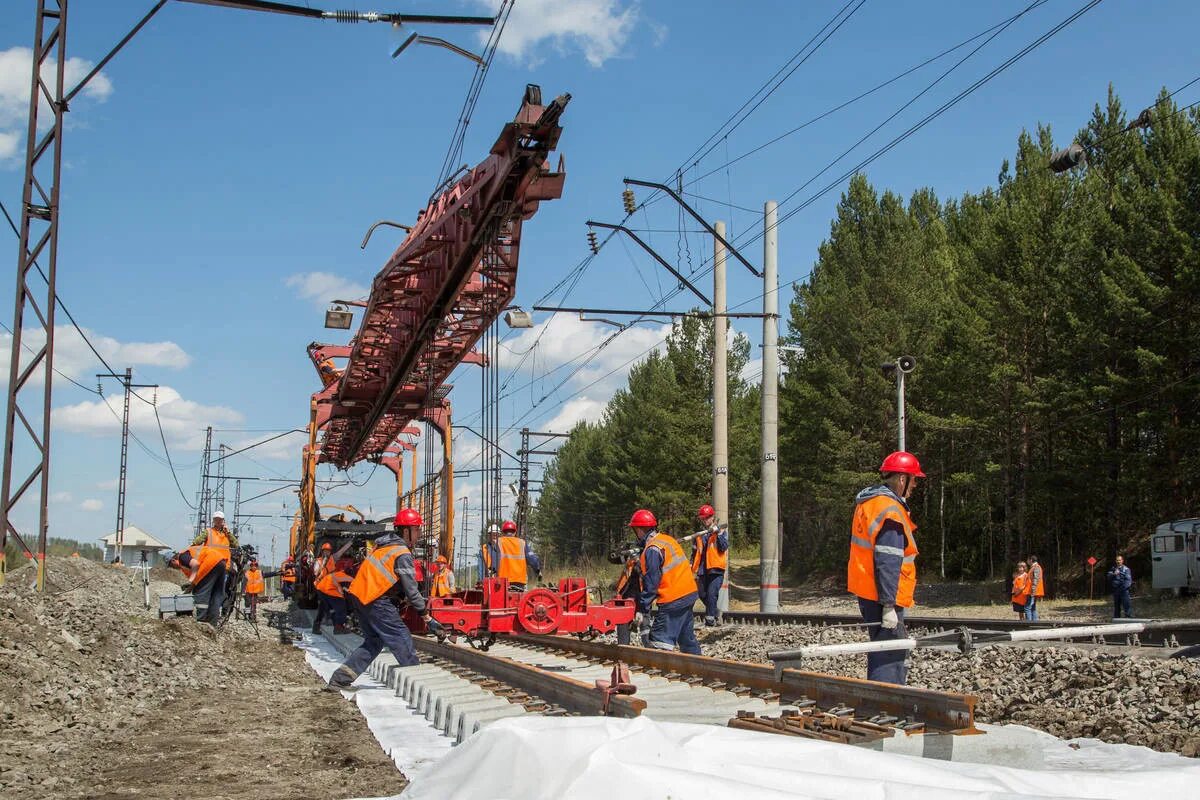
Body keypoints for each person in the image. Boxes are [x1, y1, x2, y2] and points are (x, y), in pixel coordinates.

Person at [325, 508, 443, 692]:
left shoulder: (384, 546)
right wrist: (427, 618)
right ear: (406, 531)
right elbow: (412, 592)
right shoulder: (401, 552)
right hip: (376, 600)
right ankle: (418, 685)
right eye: (417, 529)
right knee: (401, 637)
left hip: (360, 597)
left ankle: (340, 679)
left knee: (374, 641)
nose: (419, 533)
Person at [847, 450, 923, 686]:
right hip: (883, 596)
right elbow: (888, 559)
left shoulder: (869, 503)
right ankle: (886, 706)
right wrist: (889, 605)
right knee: (890, 653)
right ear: (902, 479)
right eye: (914, 480)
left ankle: (882, 702)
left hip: (869, 591)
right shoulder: (890, 510)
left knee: (882, 649)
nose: (914, 486)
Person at [630, 508, 701, 655]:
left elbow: (651, 583)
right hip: (688, 593)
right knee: (686, 639)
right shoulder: (667, 540)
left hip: (673, 598)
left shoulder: (652, 549)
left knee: (659, 641)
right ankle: (700, 668)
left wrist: (642, 608)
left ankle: (659, 671)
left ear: (640, 530)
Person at [690, 504, 728, 627]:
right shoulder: (699, 535)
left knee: (712, 594)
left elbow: (723, 547)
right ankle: (716, 613)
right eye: (703, 518)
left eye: (707, 517)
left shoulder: (720, 530)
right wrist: (692, 567)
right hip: (702, 570)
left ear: (712, 517)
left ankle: (710, 621)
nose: (705, 520)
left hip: (715, 569)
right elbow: (695, 552)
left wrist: (718, 534)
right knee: (701, 594)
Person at [169, 545, 226, 625]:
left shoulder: (182, 557)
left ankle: (200, 622)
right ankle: (212, 623)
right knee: (215, 595)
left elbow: (195, 564)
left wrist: (190, 581)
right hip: (220, 562)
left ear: (173, 560)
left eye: (172, 566)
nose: (174, 568)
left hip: (209, 563)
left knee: (200, 593)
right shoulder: (186, 561)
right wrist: (187, 590)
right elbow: (196, 578)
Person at [479, 520, 542, 591]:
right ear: (515, 532)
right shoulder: (522, 543)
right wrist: (538, 570)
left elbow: (493, 560)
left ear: (503, 532)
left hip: (503, 582)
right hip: (520, 581)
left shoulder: (499, 542)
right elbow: (532, 559)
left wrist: (492, 573)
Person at [312, 541, 352, 635]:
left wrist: (350, 543)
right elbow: (316, 573)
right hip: (321, 587)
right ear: (322, 551)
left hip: (328, 586)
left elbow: (341, 552)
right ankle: (337, 626)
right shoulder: (318, 561)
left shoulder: (332, 559)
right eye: (325, 551)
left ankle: (323, 626)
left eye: (328, 551)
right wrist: (323, 565)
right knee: (331, 606)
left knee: (324, 607)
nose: (327, 553)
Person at [1107, 555, 1134, 619]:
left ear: (1122, 561)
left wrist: (1123, 588)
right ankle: (1117, 618)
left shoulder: (1126, 569)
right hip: (1116, 590)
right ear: (1115, 561)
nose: (1118, 561)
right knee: (1116, 605)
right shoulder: (1113, 569)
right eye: (1117, 560)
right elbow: (1108, 576)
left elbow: (1128, 581)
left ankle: (1128, 617)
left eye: (1120, 560)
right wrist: (1114, 574)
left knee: (1126, 604)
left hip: (1124, 590)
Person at [1026, 554, 1044, 621]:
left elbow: (1036, 579)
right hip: (1034, 590)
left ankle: (1028, 624)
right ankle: (1034, 622)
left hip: (1033, 591)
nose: (1027, 561)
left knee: (1027, 607)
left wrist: (1033, 591)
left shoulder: (1036, 567)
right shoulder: (1035, 567)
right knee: (1033, 607)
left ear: (1031, 560)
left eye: (1028, 560)